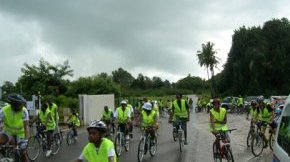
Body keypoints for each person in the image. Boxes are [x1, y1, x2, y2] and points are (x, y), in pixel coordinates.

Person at [0, 94, 29, 162]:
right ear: (13, 105)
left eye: (22, 104)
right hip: (8, 131)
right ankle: (6, 156)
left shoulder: (24, 111)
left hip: (20, 133)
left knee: (23, 153)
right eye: (20, 105)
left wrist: (26, 140)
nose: (22, 106)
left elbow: (26, 126)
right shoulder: (4, 110)